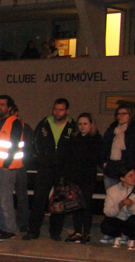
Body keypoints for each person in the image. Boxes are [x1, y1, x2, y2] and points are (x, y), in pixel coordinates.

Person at [23, 98, 77, 241]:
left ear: (67, 111)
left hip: (63, 170)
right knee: (38, 200)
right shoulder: (44, 124)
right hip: (45, 168)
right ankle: (33, 231)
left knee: (59, 202)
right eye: (55, 109)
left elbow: (76, 148)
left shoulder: (73, 127)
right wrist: (40, 158)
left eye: (61, 109)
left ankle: (55, 233)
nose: (57, 112)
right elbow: (34, 143)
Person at [60, 113, 104, 244]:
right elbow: (69, 159)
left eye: (85, 124)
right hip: (74, 178)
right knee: (75, 205)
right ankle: (77, 231)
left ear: (91, 124)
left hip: (87, 178)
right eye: (80, 124)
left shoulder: (96, 139)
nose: (82, 127)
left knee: (86, 205)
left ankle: (86, 232)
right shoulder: (75, 139)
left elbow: (94, 159)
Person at [0, 95, 25, 241]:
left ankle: (10, 229)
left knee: (5, 199)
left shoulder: (15, 122)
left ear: (9, 107)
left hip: (6, 168)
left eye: (2, 104)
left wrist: (6, 164)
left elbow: (14, 145)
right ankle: (3, 226)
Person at [9, 104, 34, 233]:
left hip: (19, 166)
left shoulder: (25, 128)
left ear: (17, 113)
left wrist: (24, 162)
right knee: (6, 197)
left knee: (22, 196)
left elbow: (29, 148)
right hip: (6, 166)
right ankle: (8, 223)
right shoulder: (4, 126)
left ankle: (23, 222)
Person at [100, 166, 135, 249]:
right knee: (106, 224)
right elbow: (107, 211)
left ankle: (132, 238)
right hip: (119, 219)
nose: (134, 178)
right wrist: (119, 206)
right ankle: (118, 236)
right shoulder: (112, 191)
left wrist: (131, 206)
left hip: (131, 219)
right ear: (122, 178)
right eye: (130, 176)